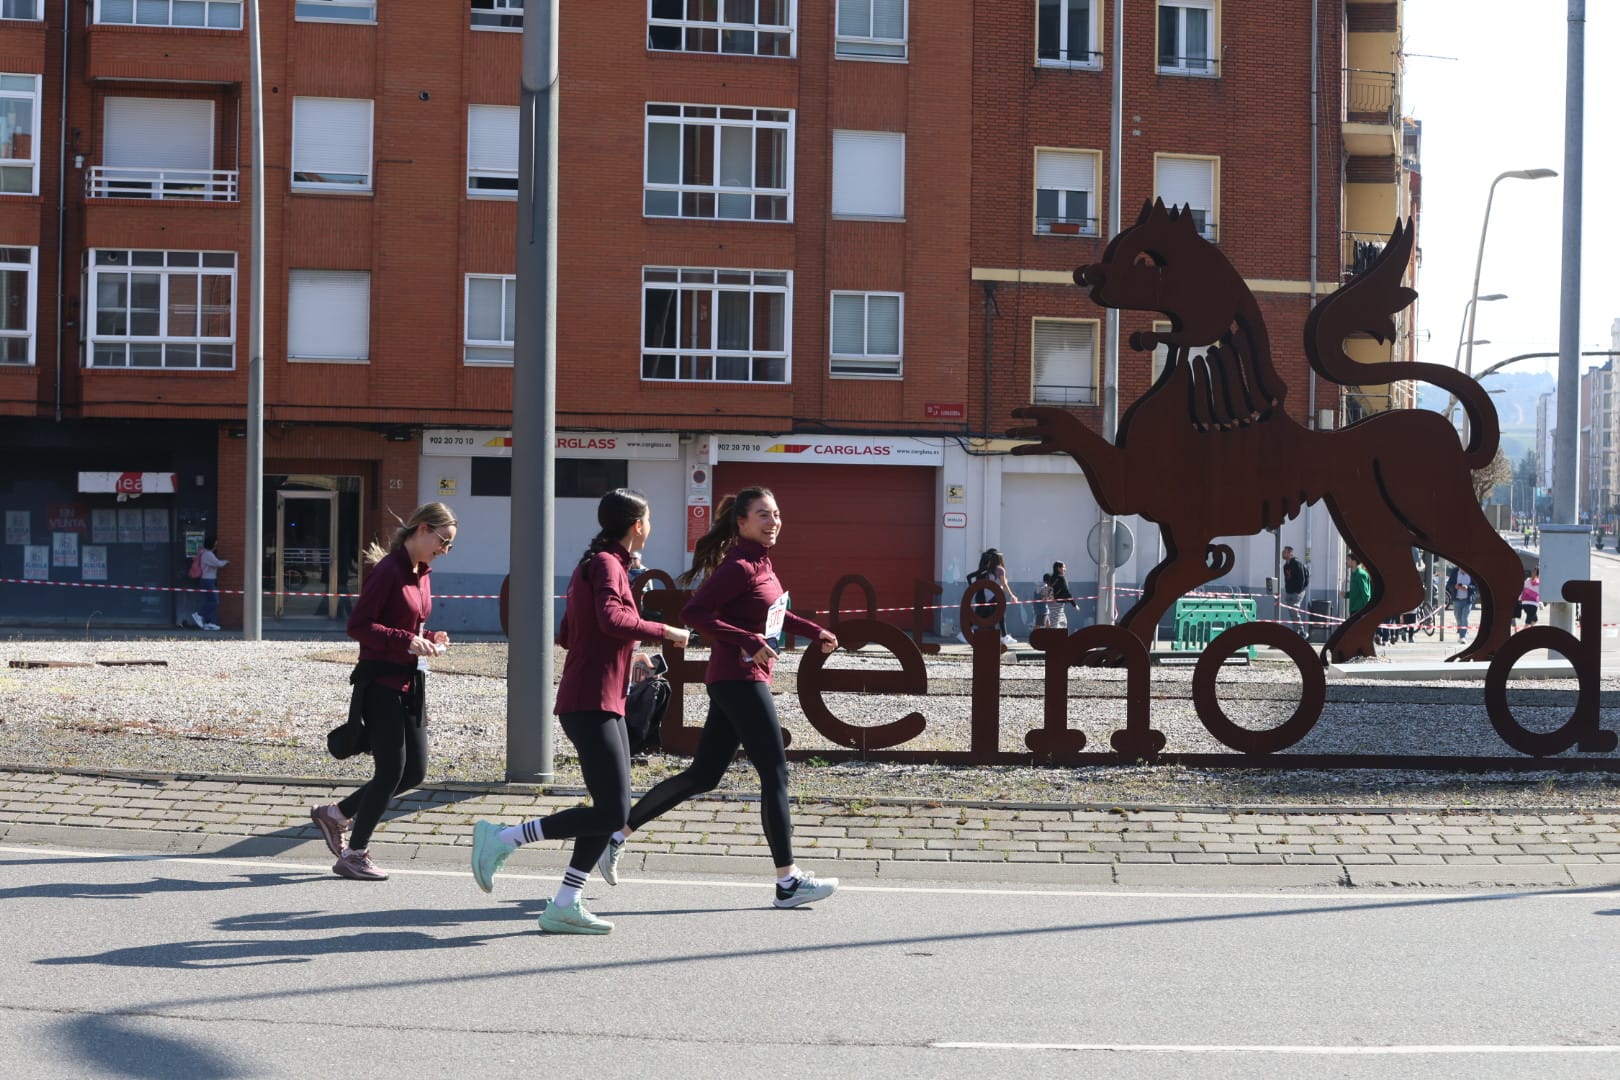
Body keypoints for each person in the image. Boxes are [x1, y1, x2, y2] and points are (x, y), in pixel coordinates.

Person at [596, 486, 842, 910]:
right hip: (739, 679)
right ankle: (788, 882)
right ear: (741, 522)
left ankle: (616, 835)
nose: (773, 521)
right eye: (763, 514)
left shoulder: (761, 563)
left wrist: (813, 630)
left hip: (736, 679)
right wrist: (746, 639)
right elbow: (693, 613)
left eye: (776, 514)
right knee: (775, 773)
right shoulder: (739, 566)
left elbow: (772, 616)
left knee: (704, 775)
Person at [469, 490, 689, 934]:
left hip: (601, 698)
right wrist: (663, 630)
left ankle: (566, 903)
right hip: (591, 701)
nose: (650, 526)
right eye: (648, 519)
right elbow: (610, 620)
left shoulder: (595, 563)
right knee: (613, 812)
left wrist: (629, 655)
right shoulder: (607, 564)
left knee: (610, 809)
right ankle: (504, 838)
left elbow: (572, 633)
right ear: (637, 525)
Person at [308, 502, 457, 881]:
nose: (445, 550)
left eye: (449, 545)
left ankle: (335, 814)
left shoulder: (421, 573)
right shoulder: (388, 570)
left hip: (410, 684)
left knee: (414, 772)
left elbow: (409, 624)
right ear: (422, 529)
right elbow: (359, 626)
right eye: (443, 541)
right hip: (381, 685)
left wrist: (430, 636)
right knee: (390, 771)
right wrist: (405, 640)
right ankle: (354, 854)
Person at [961, 548, 1019, 646]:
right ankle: (1004, 636)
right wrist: (1012, 595)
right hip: (996, 595)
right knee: (999, 615)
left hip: (987, 595)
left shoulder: (988, 569)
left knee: (986, 615)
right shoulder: (1000, 570)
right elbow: (1004, 584)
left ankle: (1002, 636)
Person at [186, 535, 228, 631]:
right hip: (208, 580)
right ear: (212, 544)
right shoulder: (208, 554)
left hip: (208, 580)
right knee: (214, 601)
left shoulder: (205, 553)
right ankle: (199, 615)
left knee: (210, 601)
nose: (216, 546)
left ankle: (211, 623)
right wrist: (225, 562)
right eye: (216, 544)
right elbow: (218, 564)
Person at [1281, 545, 1308, 638]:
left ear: (1290, 553)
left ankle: (1302, 631)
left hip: (1298, 592)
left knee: (1294, 610)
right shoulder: (1285, 566)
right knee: (1292, 613)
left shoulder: (1297, 563)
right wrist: (1287, 590)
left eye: (1285, 552)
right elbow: (1287, 579)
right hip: (1289, 592)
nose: (1283, 553)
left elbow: (1302, 578)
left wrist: (1299, 590)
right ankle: (1296, 632)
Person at [1445, 563, 1475, 645]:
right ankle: (1461, 628)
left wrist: (1468, 587)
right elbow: (1449, 585)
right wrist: (1455, 586)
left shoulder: (1472, 572)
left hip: (1468, 600)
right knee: (1458, 617)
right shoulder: (1455, 572)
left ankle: (1462, 636)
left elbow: (1476, 586)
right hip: (1457, 599)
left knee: (1464, 617)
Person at [1048, 560, 1075, 629]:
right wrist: (1074, 604)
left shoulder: (1052, 577)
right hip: (1057, 604)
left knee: (1061, 622)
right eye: (1064, 567)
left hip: (1052, 604)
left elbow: (1049, 590)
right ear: (1058, 568)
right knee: (1057, 624)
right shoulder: (1061, 578)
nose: (1065, 569)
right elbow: (1067, 591)